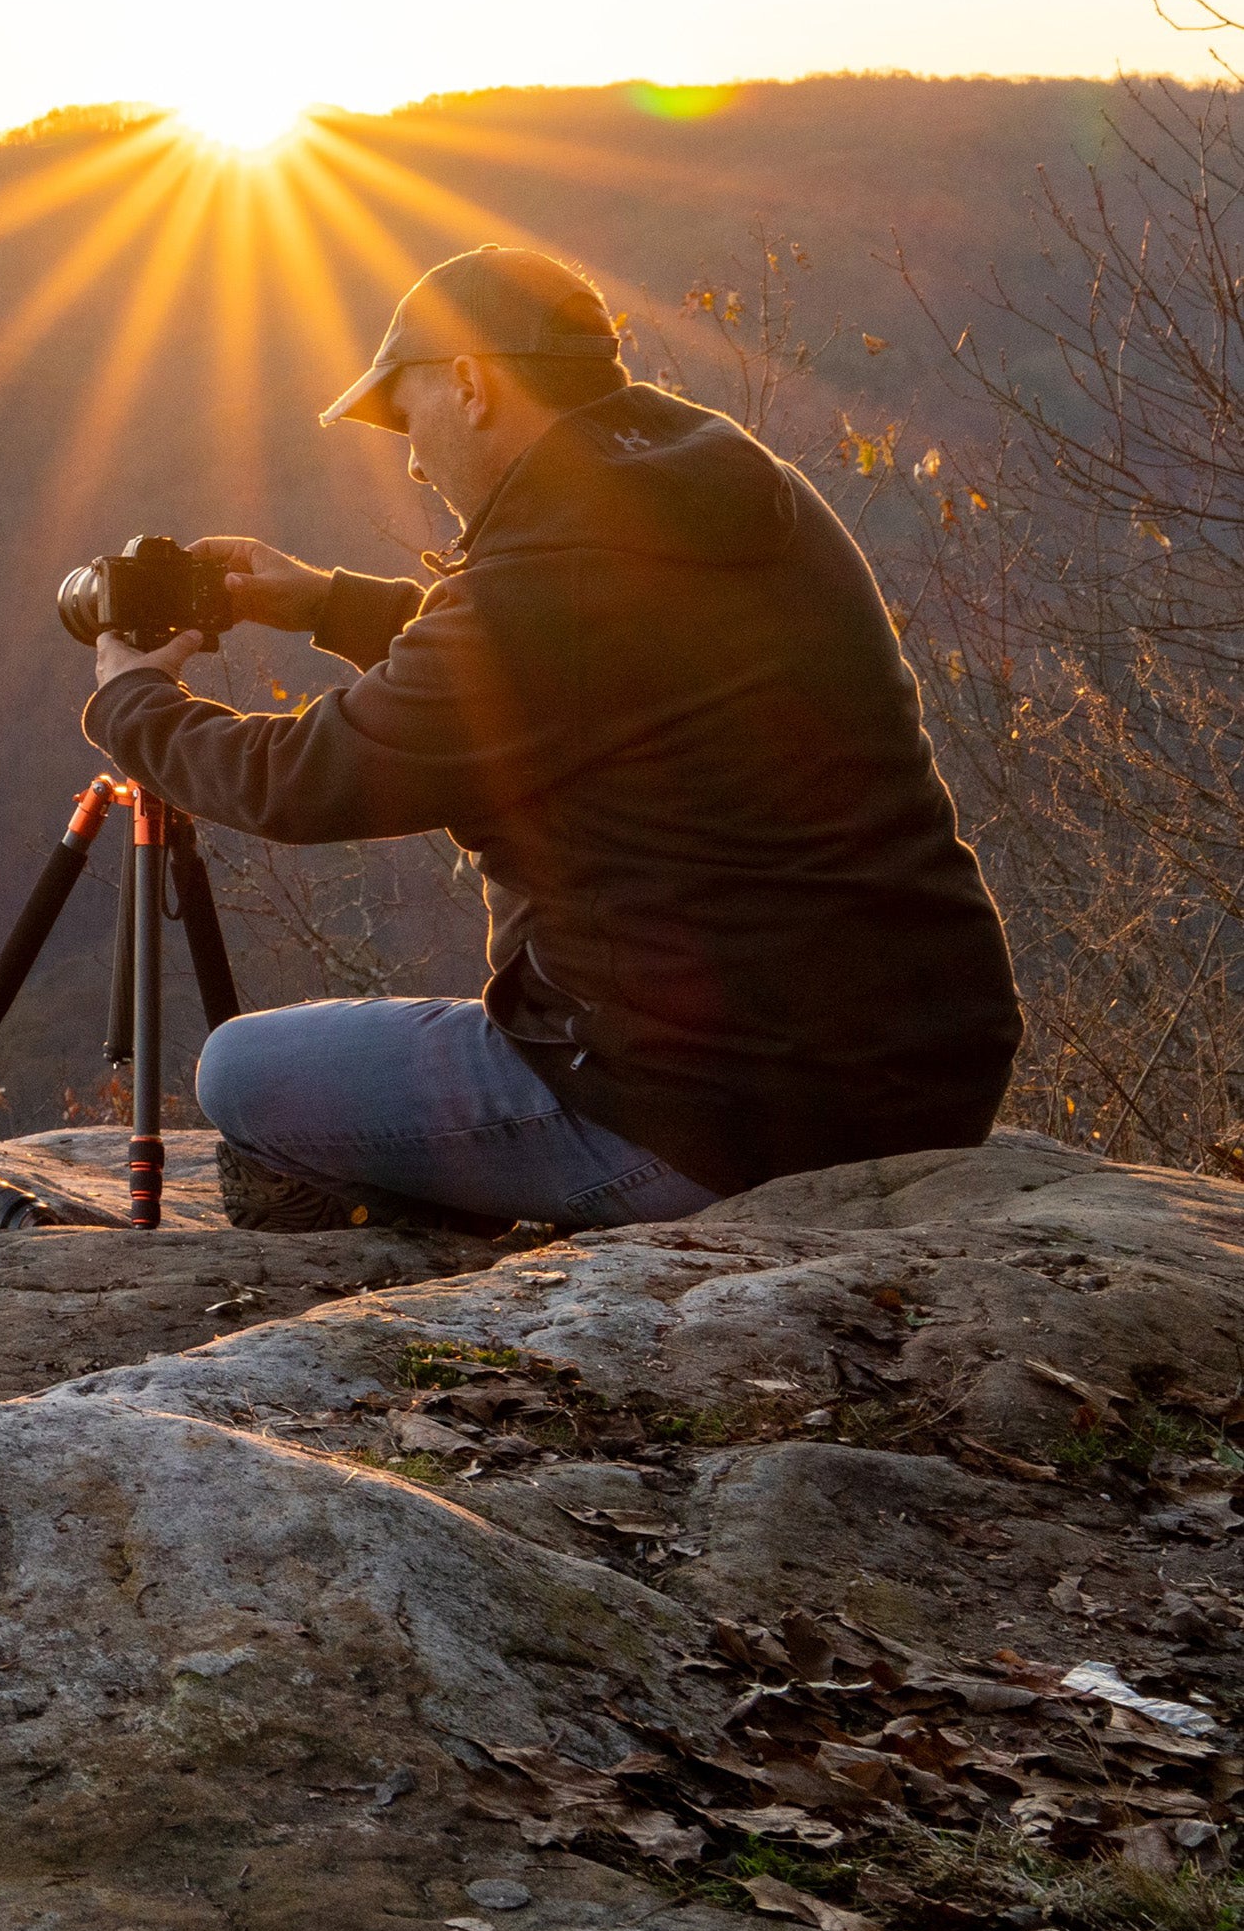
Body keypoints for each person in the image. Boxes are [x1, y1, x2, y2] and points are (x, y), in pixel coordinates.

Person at [84, 244, 1021, 1235]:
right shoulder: (728, 486)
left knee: (242, 1070)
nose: (406, 453)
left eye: (406, 415)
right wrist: (325, 601)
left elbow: (306, 782)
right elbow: (557, 672)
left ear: (472, 384)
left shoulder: (541, 585)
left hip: (701, 1123)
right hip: (924, 1082)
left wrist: (132, 699)